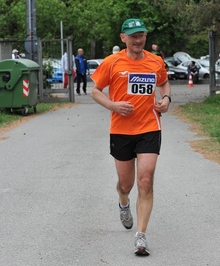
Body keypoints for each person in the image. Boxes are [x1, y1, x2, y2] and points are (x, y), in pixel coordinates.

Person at [90, 18, 171, 256]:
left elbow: (164, 84)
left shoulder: (155, 61)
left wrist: (166, 100)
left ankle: (141, 235)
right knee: (126, 184)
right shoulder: (112, 62)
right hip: (121, 130)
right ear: (123, 38)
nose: (138, 40)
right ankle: (123, 201)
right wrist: (113, 105)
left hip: (149, 127)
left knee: (145, 180)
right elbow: (95, 90)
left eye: (142, 35)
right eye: (133, 36)